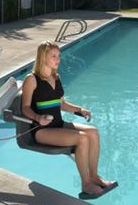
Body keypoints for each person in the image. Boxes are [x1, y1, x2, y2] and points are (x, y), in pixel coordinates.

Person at [22, 40, 114, 195]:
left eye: (59, 55)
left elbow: (62, 104)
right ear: (43, 57)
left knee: (93, 132)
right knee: (82, 139)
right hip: (42, 130)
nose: (58, 59)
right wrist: (38, 117)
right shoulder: (31, 79)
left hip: (59, 124)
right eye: (53, 56)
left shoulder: (56, 77)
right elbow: (25, 108)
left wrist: (79, 109)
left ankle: (94, 177)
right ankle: (86, 185)